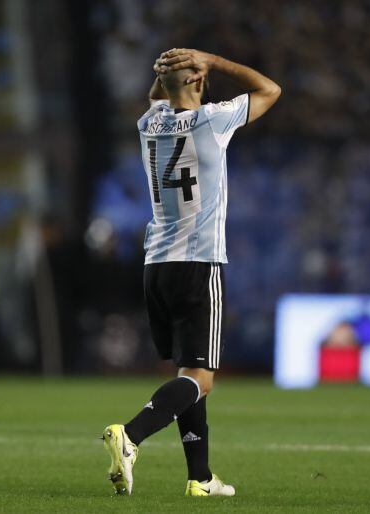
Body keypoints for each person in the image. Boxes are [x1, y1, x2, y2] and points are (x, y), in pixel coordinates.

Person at [102, 48, 280, 496]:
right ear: (199, 82)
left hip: (156, 266)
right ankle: (131, 434)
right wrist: (213, 60)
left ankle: (199, 478)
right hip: (198, 263)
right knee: (200, 379)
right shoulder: (213, 121)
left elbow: (157, 95)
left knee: (188, 373)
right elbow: (270, 90)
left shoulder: (149, 125)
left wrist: (170, 72)